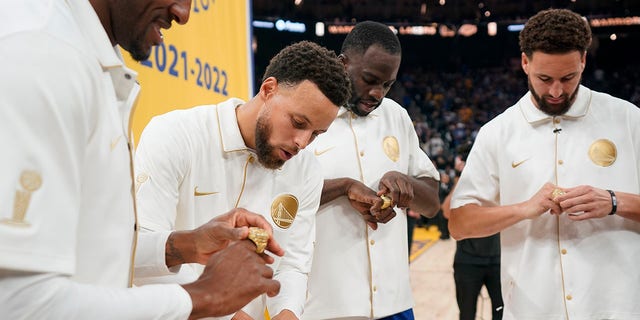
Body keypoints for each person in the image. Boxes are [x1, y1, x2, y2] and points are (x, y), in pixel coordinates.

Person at [0, 0, 286, 318]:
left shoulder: (83, 58)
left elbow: (93, 248)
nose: (183, 13)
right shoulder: (41, 54)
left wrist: (187, 245)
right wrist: (202, 296)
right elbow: (17, 303)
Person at [133, 40, 351, 320]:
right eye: (298, 123)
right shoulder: (175, 135)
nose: (302, 143)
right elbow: (141, 253)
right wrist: (228, 314)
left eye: (316, 134)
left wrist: (288, 313)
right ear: (268, 89)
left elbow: (292, 263)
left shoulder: (307, 170)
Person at [449, 8, 640, 319]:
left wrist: (615, 201)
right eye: (544, 78)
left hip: (617, 308)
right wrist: (523, 209)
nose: (556, 91)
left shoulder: (628, 119)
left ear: (583, 62)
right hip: (530, 309)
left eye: (568, 78)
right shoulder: (498, 132)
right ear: (525, 62)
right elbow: (459, 223)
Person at [303, 21, 441, 320]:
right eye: (369, 79)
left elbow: (432, 203)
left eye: (388, 84)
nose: (378, 93)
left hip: (396, 304)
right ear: (343, 64)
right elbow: (278, 199)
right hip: (324, 308)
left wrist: (406, 184)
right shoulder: (305, 116)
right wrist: (342, 187)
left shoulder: (396, 116)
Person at [442, 145, 502, 320]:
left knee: (502, 314)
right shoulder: (464, 185)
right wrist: (463, 178)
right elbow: (446, 211)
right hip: (467, 261)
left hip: (498, 259)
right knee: (467, 315)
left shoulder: (499, 179)